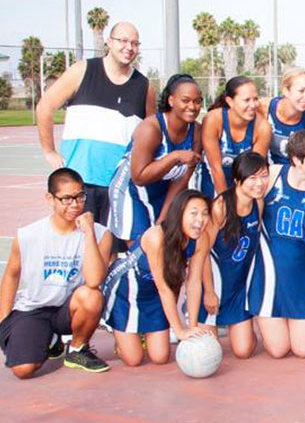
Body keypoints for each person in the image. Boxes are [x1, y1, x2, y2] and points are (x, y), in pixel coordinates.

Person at [36, 22, 157, 225]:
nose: (129, 47)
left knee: (110, 250)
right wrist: (49, 151)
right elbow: (45, 107)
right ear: (109, 42)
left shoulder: (144, 86)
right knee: (79, 245)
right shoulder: (82, 70)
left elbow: (152, 132)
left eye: (135, 43)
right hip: (80, 183)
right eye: (123, 41)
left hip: (120, 185)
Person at [0, 168, 111, 378]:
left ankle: (77, 350)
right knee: (23, 370)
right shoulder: (28, 235)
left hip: (68, 308)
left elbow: (95, 280)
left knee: (91, 295)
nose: (75, 205)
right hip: (35, 308)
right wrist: (3, 319)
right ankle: (51, 341)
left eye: (80, 197)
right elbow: (11, 276)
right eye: (66, 199)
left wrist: (88, 233)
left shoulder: (100, 234)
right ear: (50, 198)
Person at [249, 130, 305, 359]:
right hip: (268, 275)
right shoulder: (273, 176)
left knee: (303, 350)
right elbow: (250, 217)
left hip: (302, 276)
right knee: (278, 350)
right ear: (297, 160)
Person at [102, 190, 210, 366]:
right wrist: (179, 331)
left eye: (205, 213)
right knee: (133, 360)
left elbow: (194, 282)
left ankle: (138, 333)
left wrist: (192, 326)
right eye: (194, 213)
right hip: (127, 290)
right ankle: (121, 334)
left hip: (154, 294)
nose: (200, 219)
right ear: (179, 214)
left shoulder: (201, 238)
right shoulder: (156, 237)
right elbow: (164, 288)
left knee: (160, 357)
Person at [108, 74, 202, 242]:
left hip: (162, 191)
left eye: (197, 101)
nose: (192, 106)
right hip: (131, 191)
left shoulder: (196, 131)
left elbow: (183, 177)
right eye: (185, 100)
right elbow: (139, 177)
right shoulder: (151, 128)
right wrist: (175, 156)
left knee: (163, 241)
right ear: (171, 101)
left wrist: (164, 215)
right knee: (141, 253)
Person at [196, 152, 269, 358]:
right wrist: (209, 292)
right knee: (208, 353)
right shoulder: (220, 207)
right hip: (216, 284)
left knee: (244, 351)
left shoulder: (259, 203)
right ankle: (198, 318)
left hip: (238, 287)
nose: (259, 183)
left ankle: (239, 328)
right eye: (252, 178)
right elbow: (201, 255)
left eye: (264, 176)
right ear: (237, 180)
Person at [198, 76, 271, 197]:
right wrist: (226, 203)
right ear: (230, 101)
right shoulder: (213, 120)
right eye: (246, 100)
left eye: (255, 99)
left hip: (246, 185)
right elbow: (216, 168)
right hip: (213, 183)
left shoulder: (263, 127)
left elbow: (254, 171)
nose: (253, 105)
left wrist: (241, 203)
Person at [261, 68, 305, 166]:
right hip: (275, 171)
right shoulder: (264, 108)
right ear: (286, 91)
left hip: (303, 172)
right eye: (301, 91)